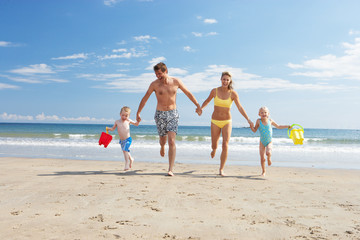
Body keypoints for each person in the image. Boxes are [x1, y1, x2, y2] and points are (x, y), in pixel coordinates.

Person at [136, 62, 201, 176]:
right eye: (156, 74)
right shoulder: (154, 84)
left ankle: (170, 169)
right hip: (160, 114)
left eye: (160, 73)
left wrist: (198, 105)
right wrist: (138, 112)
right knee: (163, 140)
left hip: (173, 113)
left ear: (166, 71)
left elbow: (188, 93)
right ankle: (162, 146)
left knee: (171, 141)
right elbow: (145, 98)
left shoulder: (176, 81)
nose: (158, 76)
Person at [198, 71, 253, 176]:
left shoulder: (233, 93)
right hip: (215, 121)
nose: (225, 81)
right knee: (214, 144)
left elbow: (240, 107)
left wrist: (248, 119)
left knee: (225, 145)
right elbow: (207, 101)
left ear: (230, 81)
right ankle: (214, 149)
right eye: (224, 79)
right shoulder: (214, 91)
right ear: (220, 79)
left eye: (227, 80)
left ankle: (221, 169)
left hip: (227, 121)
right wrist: (201, 108)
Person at [250, 106, 290, 176]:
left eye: (265, 112)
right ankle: (263, 171)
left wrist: (287, 126)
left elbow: (278, 126)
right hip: (262, 141)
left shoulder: (270, 121)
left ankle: (269, 158)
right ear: (259, 114)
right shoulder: (258, 121)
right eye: (262, 112)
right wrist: (251, 125)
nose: (264, 114)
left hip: (269, 141)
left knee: (268, 152)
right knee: (262, 158)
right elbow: (254, 130)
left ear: (268, 114)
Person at [107, 106, 139, 171]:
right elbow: (113, 129)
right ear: (120, 114)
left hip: (128, 139)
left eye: (126, 116)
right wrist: (109, 129)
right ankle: (131, 159)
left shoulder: (128, 121)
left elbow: (136, 124)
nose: (124, 117)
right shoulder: (117, 122)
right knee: (125, 151)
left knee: (125, 150)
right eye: (123, 115)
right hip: (122, 141)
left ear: (129, 116)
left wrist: (138, 120)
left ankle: (127, 163)